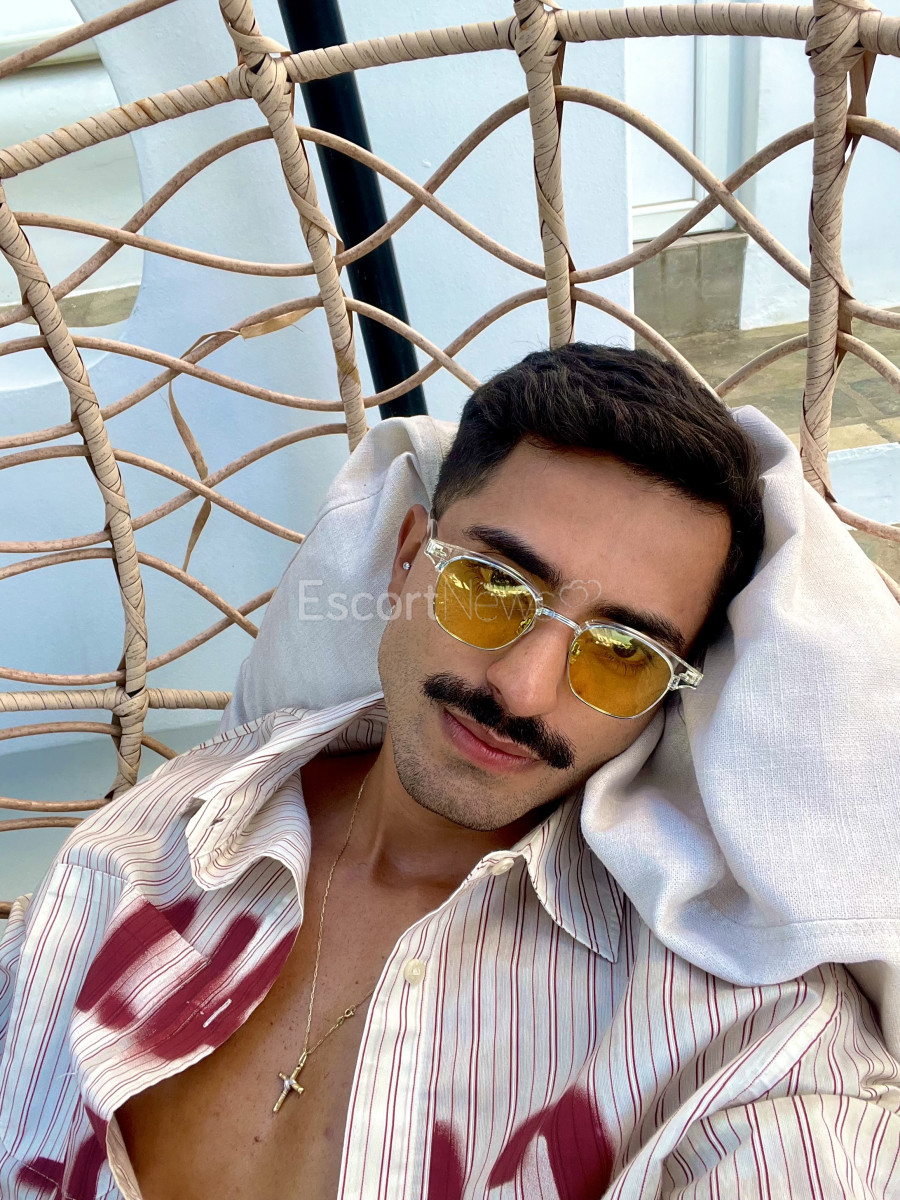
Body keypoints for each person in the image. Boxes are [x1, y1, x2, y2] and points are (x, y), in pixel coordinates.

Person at [1, 344, 898, 1200]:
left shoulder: (736, 1032)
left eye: (622, 654)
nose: (522, 688)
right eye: (492, 586)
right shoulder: (156, 835)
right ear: (405, 561)